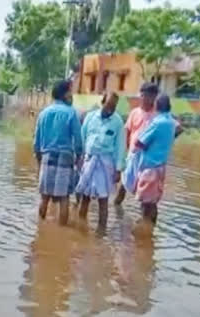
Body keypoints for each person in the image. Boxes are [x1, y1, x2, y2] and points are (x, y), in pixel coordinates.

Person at [33, 80, 83, 225]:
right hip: (65, 156)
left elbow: (36, 141)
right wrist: (79, 155)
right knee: (64, 197)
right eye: (70, 91)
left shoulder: (43, 113)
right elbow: (78, 139)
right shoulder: (71, 112)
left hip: (47, 156)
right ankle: (62, 232)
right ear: (65, 93)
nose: (71, 94)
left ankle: (40, 229)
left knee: (45, 197)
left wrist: (38, 159)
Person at [76, 92, 126, 229]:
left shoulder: (117, 122)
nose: (110, 110)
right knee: (84, 198)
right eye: (108, 105)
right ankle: (81, 230)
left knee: (103, 200)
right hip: (89, 161)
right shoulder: (90, 117)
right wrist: (79, 158)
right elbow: (82, 137)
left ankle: (101, 233)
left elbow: (120, 147)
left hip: (105, 164)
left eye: (114, 107)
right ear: (102, 102)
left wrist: (118, 170)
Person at [126, 94, 179, 225]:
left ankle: (145, 231)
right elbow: (179, 129)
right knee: (153, 202)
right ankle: (151, 230)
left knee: (145, 203)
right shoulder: (171, 122)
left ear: (157, 106)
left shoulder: (157, 123)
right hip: (161, 167)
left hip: (149, 168)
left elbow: (139, 143)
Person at [114, 82, 159, 205]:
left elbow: (175, 129)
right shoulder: (135, 112)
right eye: (143, 95)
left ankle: (146, 221)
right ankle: (117, 210)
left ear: (154, 97)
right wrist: (124, 152)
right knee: (123, 186)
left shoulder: (158, 115)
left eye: (150, 96)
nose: (145, 99)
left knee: (146, 194)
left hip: (148, 160)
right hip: (132, 156)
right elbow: (127, 131)